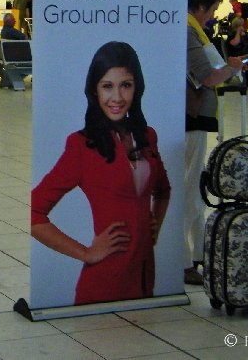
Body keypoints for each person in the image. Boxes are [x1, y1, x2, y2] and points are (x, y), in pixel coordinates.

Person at [31, 41, 171, 305]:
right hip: (105, 280)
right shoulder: (82, 145)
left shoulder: (146, 136)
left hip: (144, 276)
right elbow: (33, 212)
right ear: (94, 90)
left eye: (125, 85)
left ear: (136, 87)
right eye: (107, 86)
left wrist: (154, 225)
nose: (117, 97)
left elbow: (164, 190)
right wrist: (85, 253)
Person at [185, 0, 248, 285]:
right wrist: (232, 68)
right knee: (189, 190)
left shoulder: (192, 29)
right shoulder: (187, 31)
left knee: (191, 188)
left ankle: (192, 257)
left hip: (193, 119)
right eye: (211, 9)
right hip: (191, 120)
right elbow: (207, 77)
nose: (212, 15)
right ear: (199, 5)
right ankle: (185, 258)